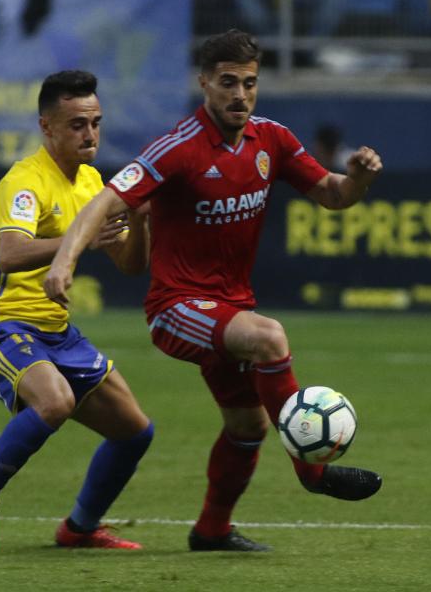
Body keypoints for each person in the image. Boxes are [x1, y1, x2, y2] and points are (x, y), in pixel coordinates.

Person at [44, 30, 383, 552]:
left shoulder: (272, 139)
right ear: (205, 83)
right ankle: (312, 473)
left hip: (228, 309)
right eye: (228, 83)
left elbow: (333, 195)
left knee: (248, 426)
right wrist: (64, 262)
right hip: (175, 308)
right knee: (270, 338)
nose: (240, 95)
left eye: (249, 83)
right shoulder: (177, 148)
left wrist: (357, 179)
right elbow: (105, 202)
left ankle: (211, 531)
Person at [0, 70, 154, 550]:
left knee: (135, 432)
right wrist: (79, 241)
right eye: (76, 125)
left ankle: (80, 527)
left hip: (57, 331)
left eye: (95, 123)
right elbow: (12, 253)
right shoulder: (24, 182)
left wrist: (140, 220)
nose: (89, 134)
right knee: (55, 402)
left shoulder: (92, 183)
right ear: (47, 127)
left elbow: (131, 265)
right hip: (4, 325)